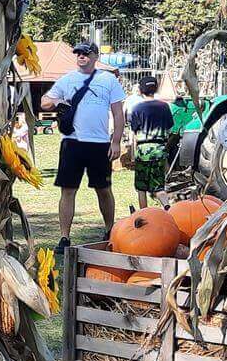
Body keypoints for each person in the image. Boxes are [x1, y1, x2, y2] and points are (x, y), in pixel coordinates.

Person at [39, 42, 126, 243]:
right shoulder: (68, 79)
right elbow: (45, 101)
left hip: (99, 143)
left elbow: (118, 112)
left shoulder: (109, 80)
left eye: (86, 53)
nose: (81, 56)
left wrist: (116, 142)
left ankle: (109, 229)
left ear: (95, 56)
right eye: (78, 53)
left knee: (103, 189)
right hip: (72, 143)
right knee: (68, 190)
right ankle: (64, 237)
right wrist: (57, 102)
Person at [126, 75, 175, 208]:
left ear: (140, 91)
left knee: (141, 188)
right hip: (160, 150)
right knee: (159, 186)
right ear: (156, 89)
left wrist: (132, 154)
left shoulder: (137, 108)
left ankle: (145, 214)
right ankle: (166, 207)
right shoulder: (164, 106)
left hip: (143, 151)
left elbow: (134, 132)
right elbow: (170, 128)